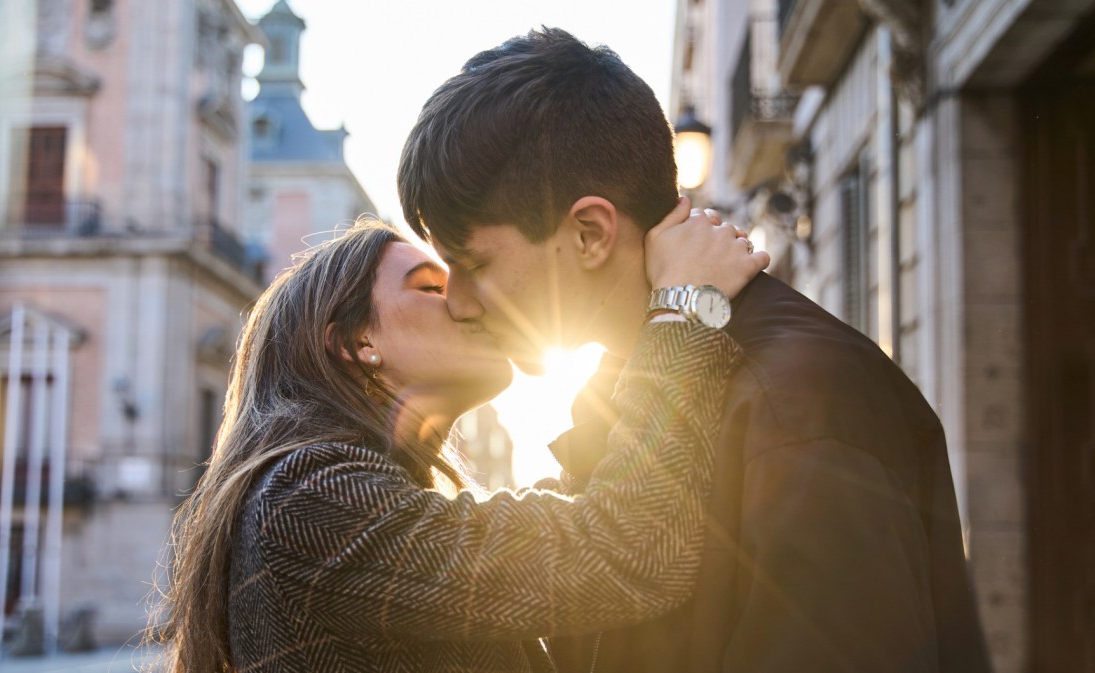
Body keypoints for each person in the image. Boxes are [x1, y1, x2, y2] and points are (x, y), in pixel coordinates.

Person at [397, 27, 992, 673]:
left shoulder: (799, 399)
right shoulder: (624, 391)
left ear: (590, 232)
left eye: (473, 262)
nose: (456, 302)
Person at [156, 210, 766, 672]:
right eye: (431, 286)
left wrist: (634, 335)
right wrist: (685, 305)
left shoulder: (338, 494)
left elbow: (583, 517)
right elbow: (623, 549)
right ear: (354, 342)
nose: (467, 301)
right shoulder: (308, 497)